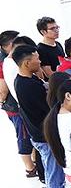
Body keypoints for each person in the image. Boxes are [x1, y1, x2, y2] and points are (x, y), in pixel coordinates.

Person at [12, 45, 71, 188]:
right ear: (27, 63)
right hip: (44, 137)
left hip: (41, 134)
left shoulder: (27, 79)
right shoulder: (27, 86)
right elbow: (46, 110)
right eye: (37, 59)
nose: (40, 61)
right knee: (54, 176)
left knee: (55, 174)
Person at [0, 32, 36, 178]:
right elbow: (3, 90)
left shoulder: (10, 59)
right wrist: (3, 102)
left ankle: (34, 162)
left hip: (17, 105)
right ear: (10, 45)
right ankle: (30, 168)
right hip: (14, 107)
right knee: (23, 136)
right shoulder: (5, 62)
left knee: (28, 135)